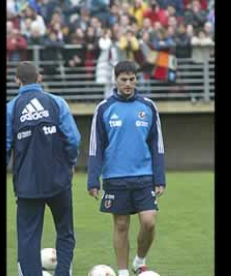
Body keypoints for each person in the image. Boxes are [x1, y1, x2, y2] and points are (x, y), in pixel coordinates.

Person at [87, 60, 166, 276]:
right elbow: (96, 147)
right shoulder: (104, 108)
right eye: (124, 80)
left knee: (149, 222)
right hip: (115, 177)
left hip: (144, 176)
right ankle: (122, 271)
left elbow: (157, 145)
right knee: (121, 225)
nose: (128, 84)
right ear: (116, 80)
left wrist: (160, 178)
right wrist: (93, 179)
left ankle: (139, 261)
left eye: (132, 79)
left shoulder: (148, 106)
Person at [6, 61, 81, 276]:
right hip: (59, 180)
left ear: (16, 81)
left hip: (27, 184)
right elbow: (73, 140)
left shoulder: (11, 109)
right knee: (65, 232)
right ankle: (63, 273)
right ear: (40, 78)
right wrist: (70, 163)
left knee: (28, 238)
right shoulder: (57, 103)